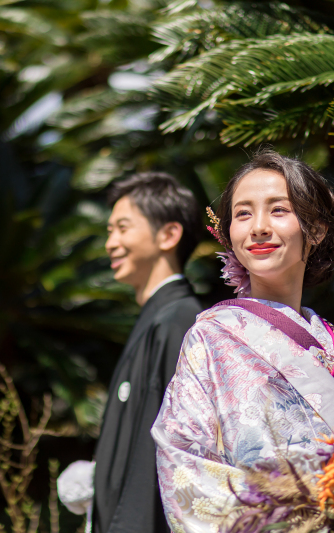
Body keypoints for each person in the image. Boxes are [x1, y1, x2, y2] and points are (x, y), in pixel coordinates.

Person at [151, 150, 334, 533]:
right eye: (242, 214)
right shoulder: (210, 339)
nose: (258, 227)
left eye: (278, 210)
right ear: (229, 234)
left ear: (316, 229)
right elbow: (182, 460)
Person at [84, 172, 204, 533]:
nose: (111, 243)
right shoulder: (160, 318)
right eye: (109, 231)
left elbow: (168, 451)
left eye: (122, 228)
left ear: (168, 234)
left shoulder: (178, 320)